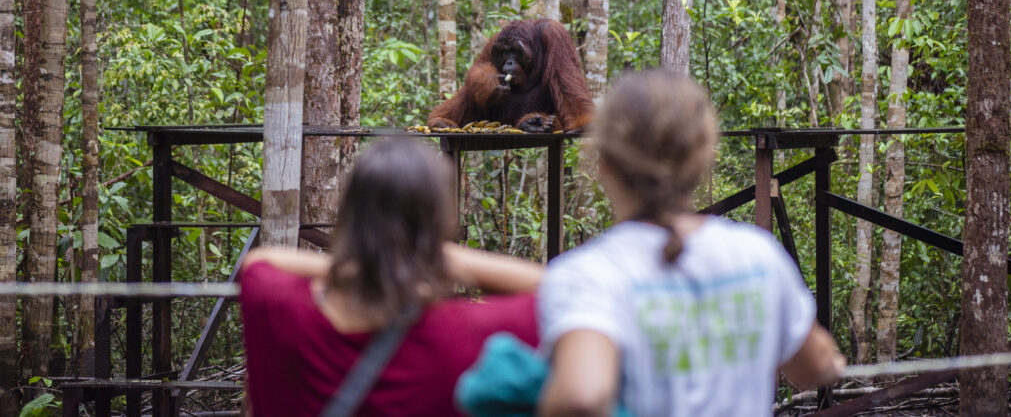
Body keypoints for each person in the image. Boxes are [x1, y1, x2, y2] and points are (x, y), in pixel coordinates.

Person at [537, 70, 845, 417]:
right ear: (703, 159)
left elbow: (582, 395)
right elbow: (814, 368)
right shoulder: (757, 255)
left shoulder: (588, 274)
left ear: (605, 164)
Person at [239, 137, 543, 417]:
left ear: (349, 214)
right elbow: (555, 289)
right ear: (439, 223)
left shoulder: (280, 310)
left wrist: (363, 260)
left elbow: (260, 261)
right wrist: (428, 255)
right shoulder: (460, 334)